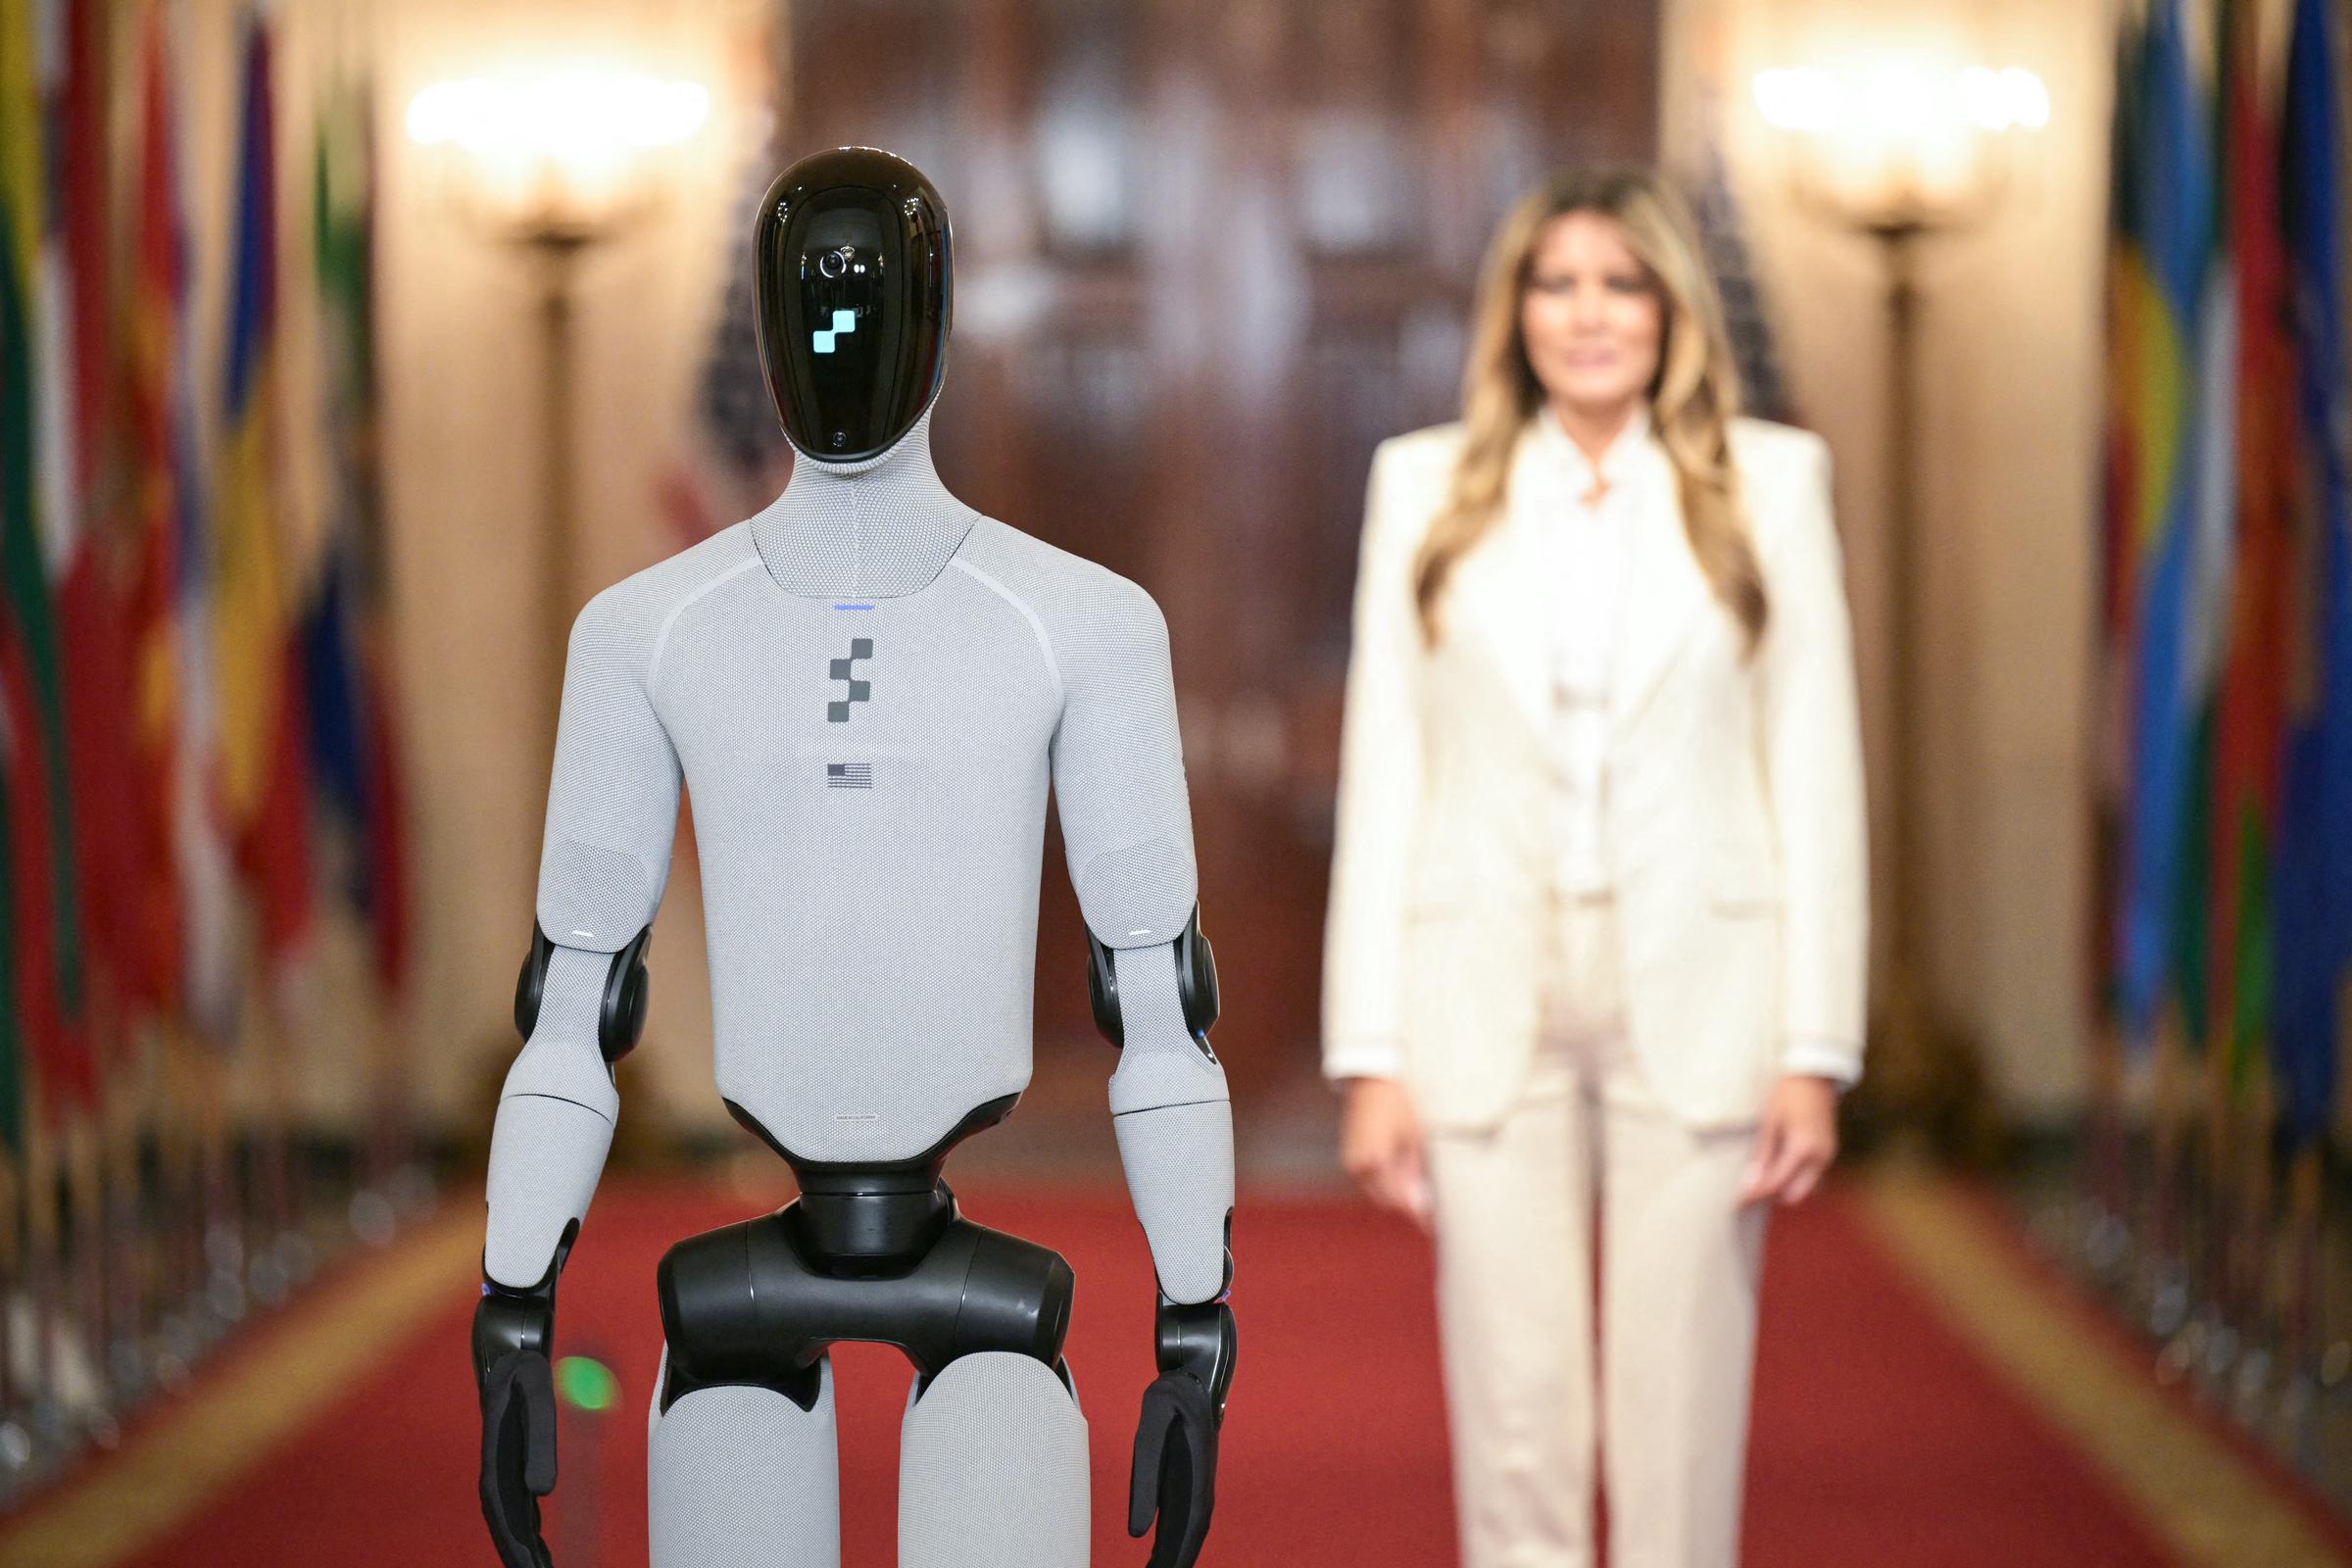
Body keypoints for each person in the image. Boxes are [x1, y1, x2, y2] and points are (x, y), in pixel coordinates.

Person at [1321, 168, 1867, 1568]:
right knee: (1513, 1407)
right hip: (1481, 979)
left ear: (1675, 308)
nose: (1590, 314)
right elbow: (1390, 772)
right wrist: (1369, 1053)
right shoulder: (1423, 485)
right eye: (1557, 284)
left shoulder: (1776, 483)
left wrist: (1816, 1044)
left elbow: (1814, 771)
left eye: (1623, 283)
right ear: (1515, 314)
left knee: (1680, 1413)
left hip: (1702, 978)